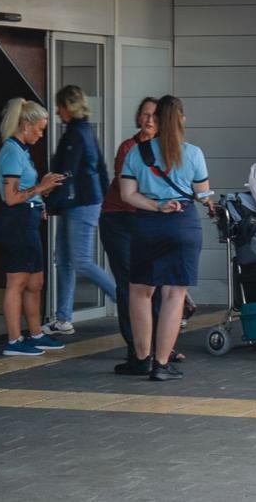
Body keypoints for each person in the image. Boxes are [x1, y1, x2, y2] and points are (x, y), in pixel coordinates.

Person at [118, 95, 210, 381]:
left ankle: (141, 359)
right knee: (174, 295)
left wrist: (157, 205)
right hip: (184, 224)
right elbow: (203, 193)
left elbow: (127, 195)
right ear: (181, 119)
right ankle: (161, 365)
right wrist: (207, 201)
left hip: (148, 225)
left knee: (140, 292)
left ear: (155, 120)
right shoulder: (193, 153)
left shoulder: (136, 152)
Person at [103, 98, 186, 372]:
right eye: (145, 115)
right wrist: (158, 204)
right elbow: (127, 191)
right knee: (132, 286)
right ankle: (138, 352)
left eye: (154, 115)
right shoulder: (131, 149)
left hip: (150, 221)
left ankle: (160, 350)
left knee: (159, 287)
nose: (149, 120)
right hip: (122, 219)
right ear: (139, 118)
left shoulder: (171, 150)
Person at [0, 98, 66, 357]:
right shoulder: (11, 151)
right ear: (26, 125)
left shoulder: (21, 151)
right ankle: (14, 340)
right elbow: (11, 197)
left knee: (36, 281)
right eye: (40, 128)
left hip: (29, 219)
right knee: (17, 281)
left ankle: (35, 334)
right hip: (17, 222)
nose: (41, 134)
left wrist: (38, 200)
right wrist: (40, 189)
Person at [42, 85, 116, 337]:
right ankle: (63, 318)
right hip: (83, 202)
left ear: (67, 107)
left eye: (59, 107)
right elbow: (101, 168)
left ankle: (125, 300)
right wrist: (106, 198)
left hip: (80, 203)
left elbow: (66, 174)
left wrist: (49, 204)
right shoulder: (86, 130)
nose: (57, 112)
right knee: (63, 260)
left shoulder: (75, 134)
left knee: (81, 261)